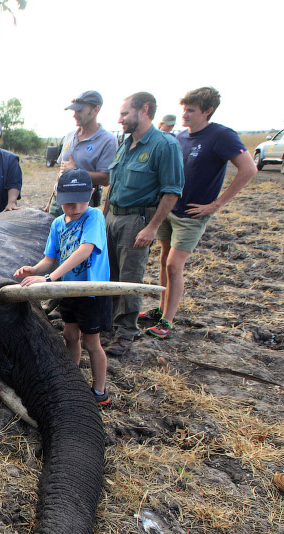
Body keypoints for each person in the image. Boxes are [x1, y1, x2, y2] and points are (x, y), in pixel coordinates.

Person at [142, 87, 256, 339]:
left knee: (174, 265)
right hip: (170, 209)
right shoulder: (181, 137)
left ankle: (168, 322)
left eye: (191, 110)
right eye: (184, 109)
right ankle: (161, 311)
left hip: (192, 215)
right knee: (163, 260)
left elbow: (249, 169)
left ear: (207, 111)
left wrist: (216, 204)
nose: (185, 114)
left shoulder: (222, 136)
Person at [14, 170, 112, 406]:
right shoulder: (58, 223)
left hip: (91, 291)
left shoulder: (94, 217)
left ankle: (100, 391)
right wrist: (34, 270)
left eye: (81, 200)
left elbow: (85, 249)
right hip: (67, 290)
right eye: (68, 202)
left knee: (92, 342)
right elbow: (50, 258)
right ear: (58, 197)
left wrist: (49, 279)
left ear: (91, 194)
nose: (76, 206)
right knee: (69, 335)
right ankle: (71, 378)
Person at [101, 92, 183, 357]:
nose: (120, 118)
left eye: (125, 113)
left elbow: (171, 192)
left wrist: (151, 228)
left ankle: (126, 333)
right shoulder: (125, 143)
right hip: (112, 217)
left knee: (129, 279)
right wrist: (103, 218)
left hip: (137, 220)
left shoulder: (164, 145)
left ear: (144, 110)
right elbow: (113, 185)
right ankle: (108, 326)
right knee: (109, 275)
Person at [45, 91, 118, 218]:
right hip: (60, 200)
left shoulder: (108, 140)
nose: (75, 115)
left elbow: (106, 178)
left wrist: (76, 171)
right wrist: (50, 201)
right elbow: (62, 171)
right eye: (74, 111)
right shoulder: (70, 135)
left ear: (96, 110)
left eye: (80, 111)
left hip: (82, 202)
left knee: (77, 237)